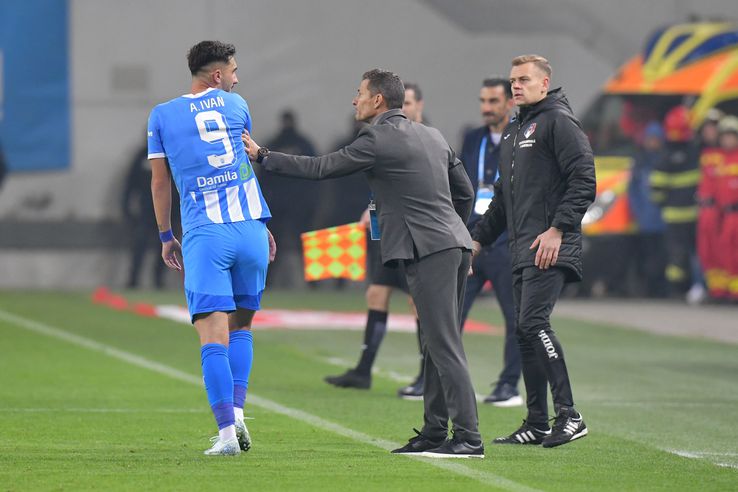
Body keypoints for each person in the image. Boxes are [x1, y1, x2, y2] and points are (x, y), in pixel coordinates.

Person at [244, 69, 484, 458]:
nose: (354, 101)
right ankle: (435, 431)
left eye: (359, 94)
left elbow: (321, 168)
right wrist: (454, 233)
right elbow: (466, 191)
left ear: (378, 101)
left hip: (430, 251)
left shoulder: (376, 137)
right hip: (451, 247)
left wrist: (263, 156)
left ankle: (470, 438)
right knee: (437, 342)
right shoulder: (433, 135)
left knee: (443, 344)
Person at [147, 40, 275, 456]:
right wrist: (262, 223)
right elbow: (243, 163)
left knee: (211, 337)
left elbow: (161, 182)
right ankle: (238, 414)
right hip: (250, 230)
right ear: (217, 75)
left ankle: (225, 435)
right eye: (234, 70)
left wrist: (166, 234)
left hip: (207, 235)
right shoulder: (237, 107)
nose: (237, 78)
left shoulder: (162, 115)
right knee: (242, 328)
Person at [472, 55, 595, 448]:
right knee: (526, 333)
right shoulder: (513, 131)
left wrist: (558, 229)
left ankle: (570, 415)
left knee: (533, 324)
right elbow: (503, 201)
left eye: (524, 79)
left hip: (550, 244)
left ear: (545, 83)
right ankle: (538, 421)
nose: (517, 86)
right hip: (523, 247)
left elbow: (584, 179)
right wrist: (476, 240)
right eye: (513, 81)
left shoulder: (558, 121)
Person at [322, 84, 425, 399]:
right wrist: (372, 209)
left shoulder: (426, 140)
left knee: (417, 302)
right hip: (390, 230)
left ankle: (426, 375)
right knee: (377, 293)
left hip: (416, 233)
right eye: (401, 102)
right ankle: (364, 370)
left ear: (420, 105)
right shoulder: (388, 138)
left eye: (409, 103)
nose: (404, 109)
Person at [458, 77, 521, 407]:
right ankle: (441, 379)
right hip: (471, 240)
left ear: (509, 103)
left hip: (505, 241)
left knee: (515, 318)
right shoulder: (472, 139)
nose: (486, 108)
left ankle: (509, 385)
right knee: (450, 315)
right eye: (483, 101)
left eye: (493, 101)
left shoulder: (523, 137)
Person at [650, 105, 703, 302]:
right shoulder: (695, 151)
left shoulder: (664, 156)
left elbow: (656, 191)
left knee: (676, 256)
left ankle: (676, 290)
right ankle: (693, 287)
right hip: (696, 213)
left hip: (673, 215)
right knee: (694, 253)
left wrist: (663, 205)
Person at [122, 142, 181, 289]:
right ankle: (133, 280)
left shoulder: (174, 154)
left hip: (171, 212)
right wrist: (127, 209)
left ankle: (158, 280)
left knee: (166, 246)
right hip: (146, 211)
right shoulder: (143, 156)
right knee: (140, 245)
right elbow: (131, 182)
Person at [628, 122, 668, 297]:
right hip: (646, 219)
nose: (652, 143)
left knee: (664, 255)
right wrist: (638, 212)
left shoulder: (665, 159)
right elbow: (634, 191)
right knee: (647, 255)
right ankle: (650, 288)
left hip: (664, 219)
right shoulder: (641, 161)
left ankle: (662, 288)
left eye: (655, 139)